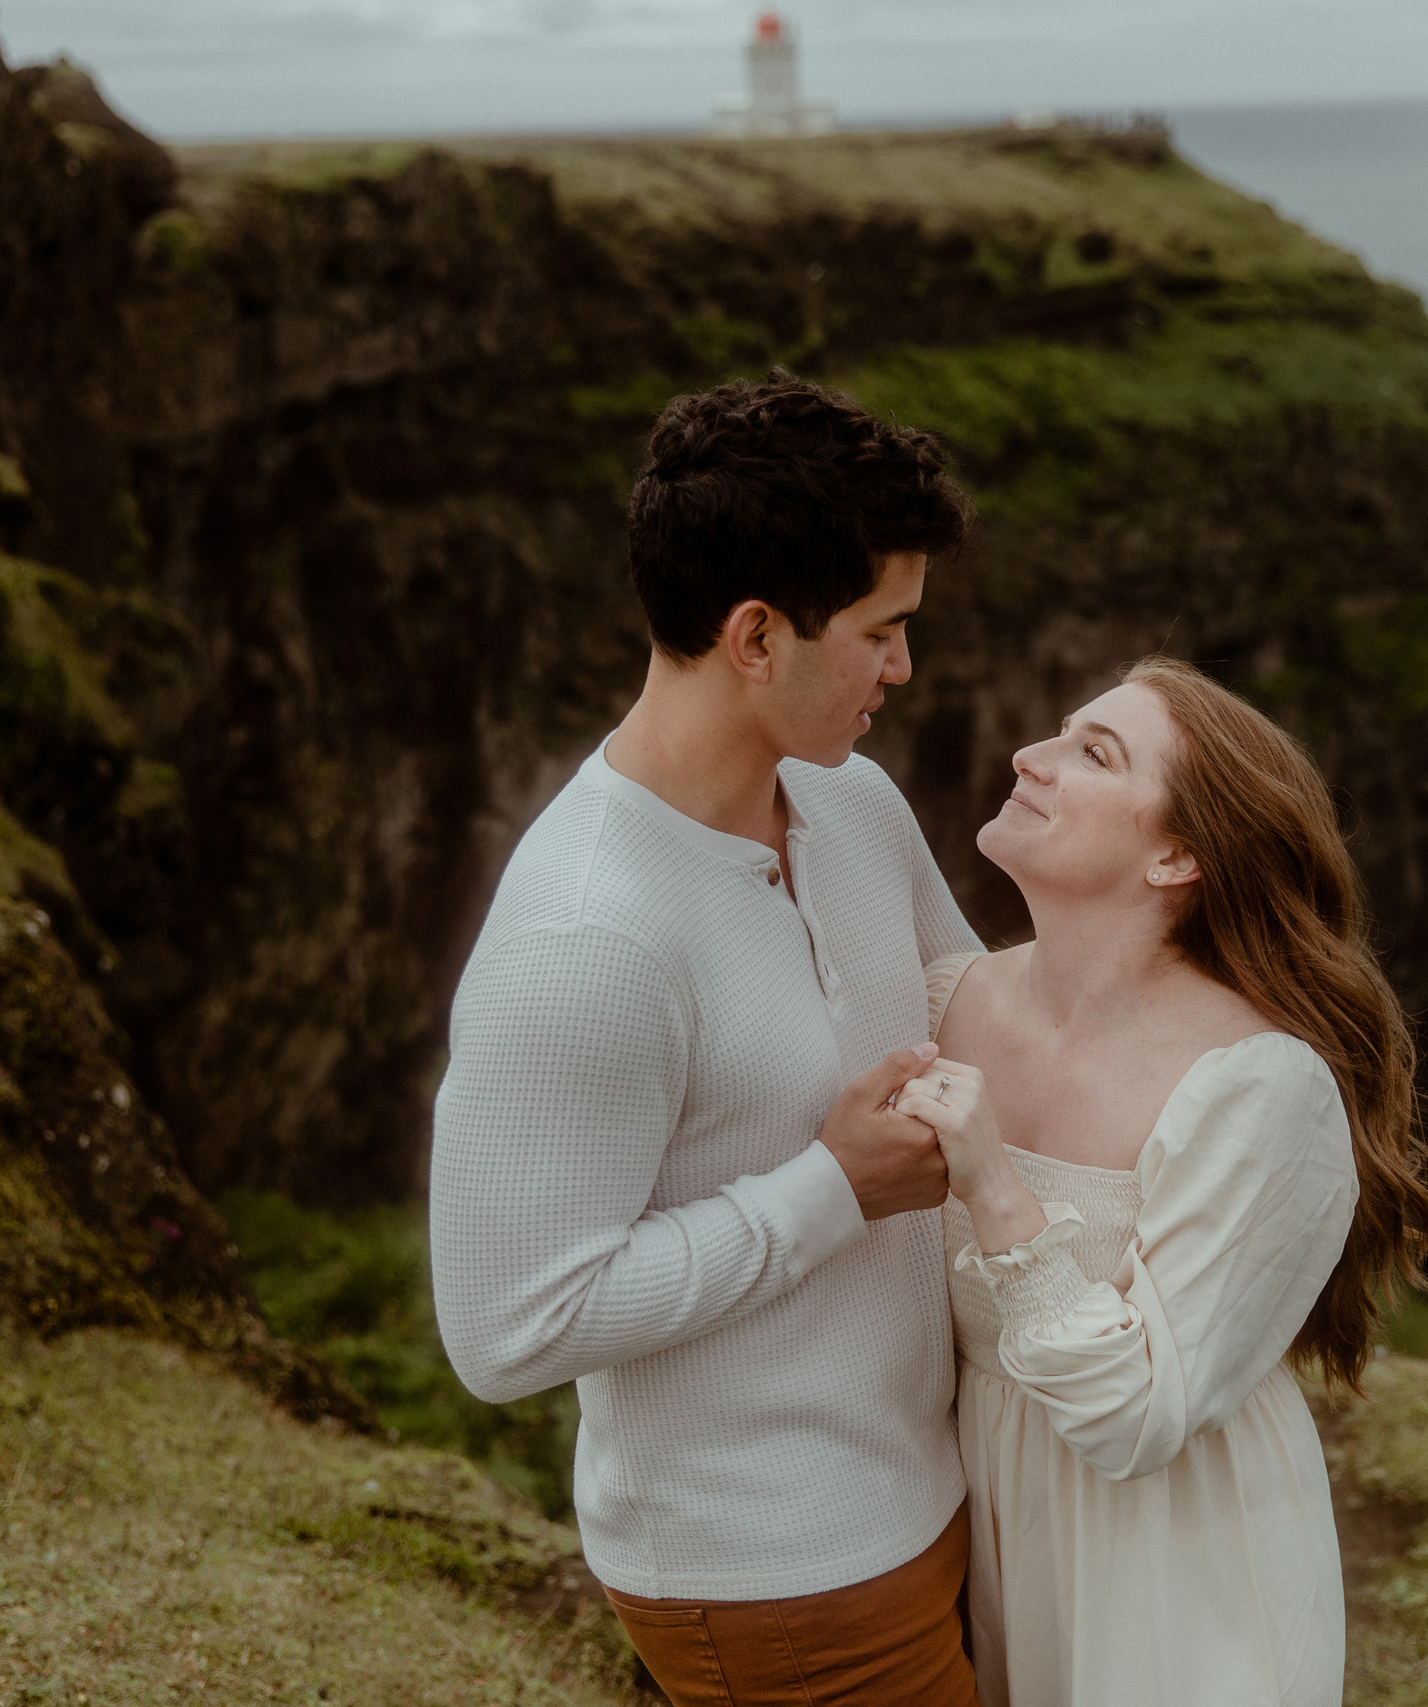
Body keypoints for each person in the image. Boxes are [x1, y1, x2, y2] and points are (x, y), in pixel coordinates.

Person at [429, 372, 983, 1705]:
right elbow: (507, 1329)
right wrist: (832, 1188)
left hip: (935, 1481)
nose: (903, 669)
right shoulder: (585, 935)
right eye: (882, 630)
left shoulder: (854, 802)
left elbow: (967, 1003)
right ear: (755, 636)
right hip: (771, 1567)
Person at [892, 657, 1428, 1707]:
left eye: (1093, 754)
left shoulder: (1261, 1087)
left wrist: (996, 1189)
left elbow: (1136, 1417)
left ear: (1177, 856)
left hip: (1177, 1572)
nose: (1029, 757)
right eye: (1059, 733)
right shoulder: (939, 1001)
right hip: (979, 1535)